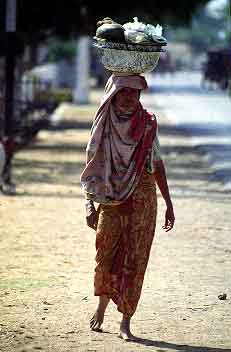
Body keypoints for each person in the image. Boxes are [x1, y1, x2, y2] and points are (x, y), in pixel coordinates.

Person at [80, 73, 175, 341]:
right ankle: (101, 306)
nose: (129, 98)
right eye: (124, 92)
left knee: (135, 259)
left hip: (143, 197)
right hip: (111, 197)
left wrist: (168, 202)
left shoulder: (147, 124)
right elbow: (92, 165)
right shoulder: (103, 124)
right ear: (113, 94)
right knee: (105, 253)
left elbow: (156, 162)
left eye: (135, 93)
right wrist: (89, 203)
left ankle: (125, 321)